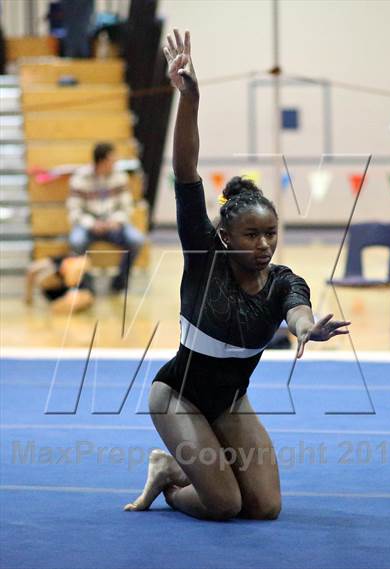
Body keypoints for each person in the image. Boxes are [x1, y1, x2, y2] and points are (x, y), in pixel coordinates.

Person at [124, 30, 350, 521]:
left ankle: (203, 459)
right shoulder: (205, 257)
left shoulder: (283, 280)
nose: (264, 244)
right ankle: (170, 477)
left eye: (271, 233)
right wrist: (191, 99)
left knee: (265, 508)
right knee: (223, 506)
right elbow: (185, 172)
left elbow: (298, 310)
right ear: (226, 236)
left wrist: (309, 328)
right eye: (251, 235)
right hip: (177, 397)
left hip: (230, 401)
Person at [67, 142, 144, 292]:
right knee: (76, 242)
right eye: (112, 159)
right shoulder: (80, 178)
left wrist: (115, 221)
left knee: (136, 240)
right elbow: (74, 211)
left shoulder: (120, 177)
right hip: (88, 226)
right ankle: (87, 286)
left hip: (113, 224)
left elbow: (126, 207)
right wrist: (92, 224)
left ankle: (119, 283)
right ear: (101, 161)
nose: (115, 162)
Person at [24, 255, 94, 313]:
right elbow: (32, 270)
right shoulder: (57, 265)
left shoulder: (79, 266)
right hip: (61, 294)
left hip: (75, 292)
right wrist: (29, 297)